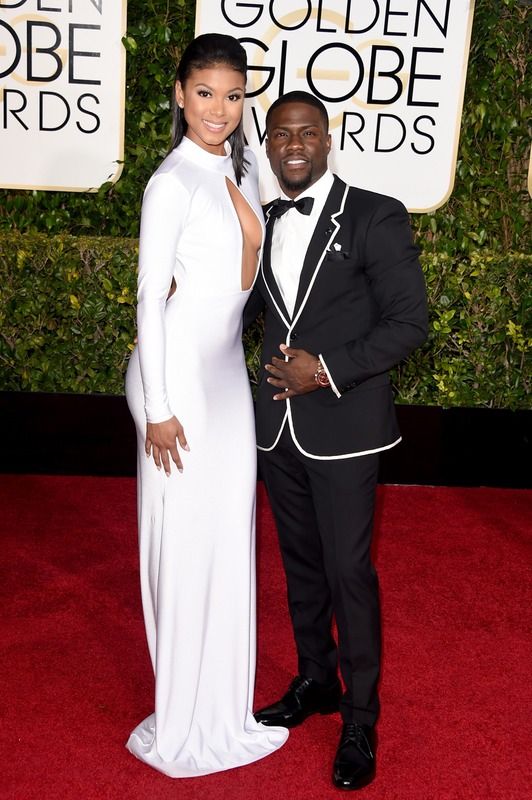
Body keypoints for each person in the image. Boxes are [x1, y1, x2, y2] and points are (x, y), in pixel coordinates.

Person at [244, 91, 428, 790]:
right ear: (269, 143)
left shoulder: (377, 215)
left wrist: (324, 370)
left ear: (328, 138)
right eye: (282, 134)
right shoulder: (263, 221)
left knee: (351, 573)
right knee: (301, 568)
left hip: (345, 430)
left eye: (307, 132)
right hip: (277, 428)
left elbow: (410, 322)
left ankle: (360, 715)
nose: (294, 144)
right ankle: (316, 679)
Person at [124, 33, 288, 778]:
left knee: (228, 539)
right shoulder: (172, 183)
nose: (218, 108)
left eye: (231, 94)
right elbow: (149, 302)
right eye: (204, 93)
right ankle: (185, 713)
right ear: (179, 94)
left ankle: (222, 705)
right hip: (176, 382)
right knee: (186, 547)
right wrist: (157, 407)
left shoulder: (240, 169)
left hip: (226, 378)